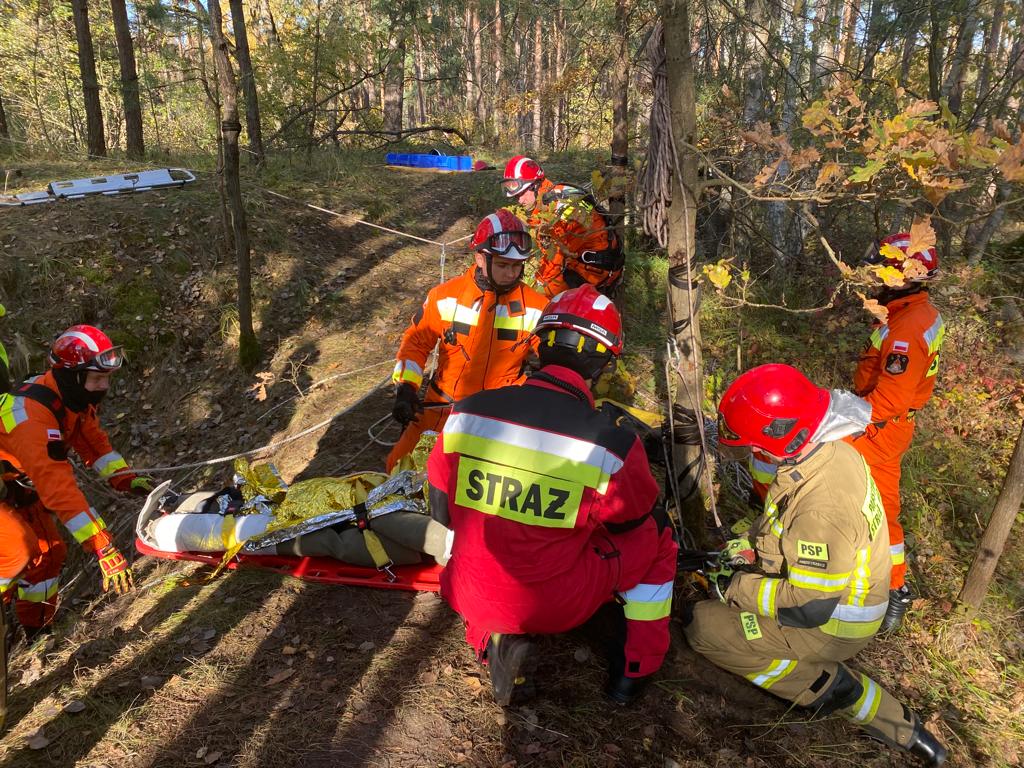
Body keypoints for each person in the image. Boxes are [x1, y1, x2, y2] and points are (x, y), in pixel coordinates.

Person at [427, 285, 678, 706]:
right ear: (603, 364)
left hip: (464, 589)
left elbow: (440, 508)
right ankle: (635, 670)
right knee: (659, 533)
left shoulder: (467, 412)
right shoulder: (611, 445)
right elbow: (631, 521)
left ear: (540, 345)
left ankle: (489, 638)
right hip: (553, 604)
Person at [684, 364, 947, 766]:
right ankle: (899, 724)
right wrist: (747, 548)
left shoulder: (822, 507)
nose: (754, 455)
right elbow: (784, 527)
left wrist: (734, 587)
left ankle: (822, 685)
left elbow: (808, 605)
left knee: (705, 626)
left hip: (832, 623)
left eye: (755, 447)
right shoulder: (829, 453)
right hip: (840, 595)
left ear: (780, 436)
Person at [0, 325, 147, 641]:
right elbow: (59, 490)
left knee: (50, 554)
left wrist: (128, 480)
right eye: (97, 379)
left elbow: (95, 444)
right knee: (17, 552)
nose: (103, 387)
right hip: (11, 489)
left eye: (106, 379)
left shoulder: (69, 400)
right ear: (72, 376)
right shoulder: (31, 417)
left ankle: (37, 633)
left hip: (16, 490)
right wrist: (102, 546)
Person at [386, 210, 548, 472]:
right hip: (442, 410)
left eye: (517, 266)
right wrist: (406, 388)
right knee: (397, 466)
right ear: (480, 258)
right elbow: (416, 343)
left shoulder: (537, 308)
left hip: (502, 418)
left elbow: (553, 359)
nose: (511, 274)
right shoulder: (444, 297)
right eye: (503, 265)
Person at [851, 233, 945, 632]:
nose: (876, 276)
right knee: (884, 507)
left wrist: (842, 418)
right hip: (889, 425)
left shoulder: (908, 327)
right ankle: (895, 587)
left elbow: (889, 399)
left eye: (882, 270)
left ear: (906, 276)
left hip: (878, 426)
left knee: (811, 457)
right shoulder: (913, 312)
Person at [501, 155, 624, 298]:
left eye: (522, 193)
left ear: (535, 185)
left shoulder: (557, 211)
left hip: (593, 272)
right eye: (516, 197)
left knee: (541, 301)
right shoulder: (552, 197)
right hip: (586, 262)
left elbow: (555, 263)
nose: (520, 200)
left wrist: (536, 292)